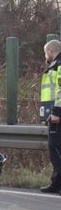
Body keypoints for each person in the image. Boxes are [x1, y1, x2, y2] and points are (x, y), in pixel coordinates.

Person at [41, 39, 61, 193]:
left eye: (45, 52)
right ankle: (56, 183)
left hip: (57, 117)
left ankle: (57, 184)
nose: (45, 56)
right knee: (55, 150)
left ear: (51, 51)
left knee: (56, 150)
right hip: (53, 115)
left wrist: (56, 113)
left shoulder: (58, 66)